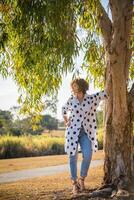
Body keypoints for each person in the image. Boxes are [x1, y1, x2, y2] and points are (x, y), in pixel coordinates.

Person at [61, 77, 110, 195]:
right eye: (72, 87)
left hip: (86, 132)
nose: (73, 88)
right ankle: (74, 184)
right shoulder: (71, 99)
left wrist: (112, 79)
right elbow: (63, 109)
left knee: (87, 155)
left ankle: (81, 179)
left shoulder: (91, 98)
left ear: (81, 87)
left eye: (75, 86)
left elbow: (105, 93)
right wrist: (66, 120)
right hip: (72, 132)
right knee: (72, 157)